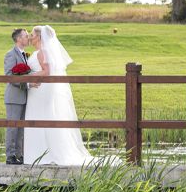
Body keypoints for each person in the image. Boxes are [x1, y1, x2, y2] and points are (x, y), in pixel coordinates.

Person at [23, 25, 121, 167]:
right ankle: (39, 153)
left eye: (32, 35)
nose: (30, 37)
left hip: (41, 91)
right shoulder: (40, 52)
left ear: (39, 37)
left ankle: (44, 154)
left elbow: (46, 71)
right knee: (40, 118)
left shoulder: (41, 52)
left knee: (42, 118)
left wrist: (28, 76)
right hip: (37, 91)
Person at [3, 28, 30, 164]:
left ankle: (19, 155)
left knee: (21, 128)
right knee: (12, 127)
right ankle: (10, 156)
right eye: (26, 36)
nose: (28, 38)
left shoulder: (25, 54)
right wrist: (27, 84)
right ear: (19, 39)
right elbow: (9, 76)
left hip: (24, 97)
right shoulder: (11, 54)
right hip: (14, 97)